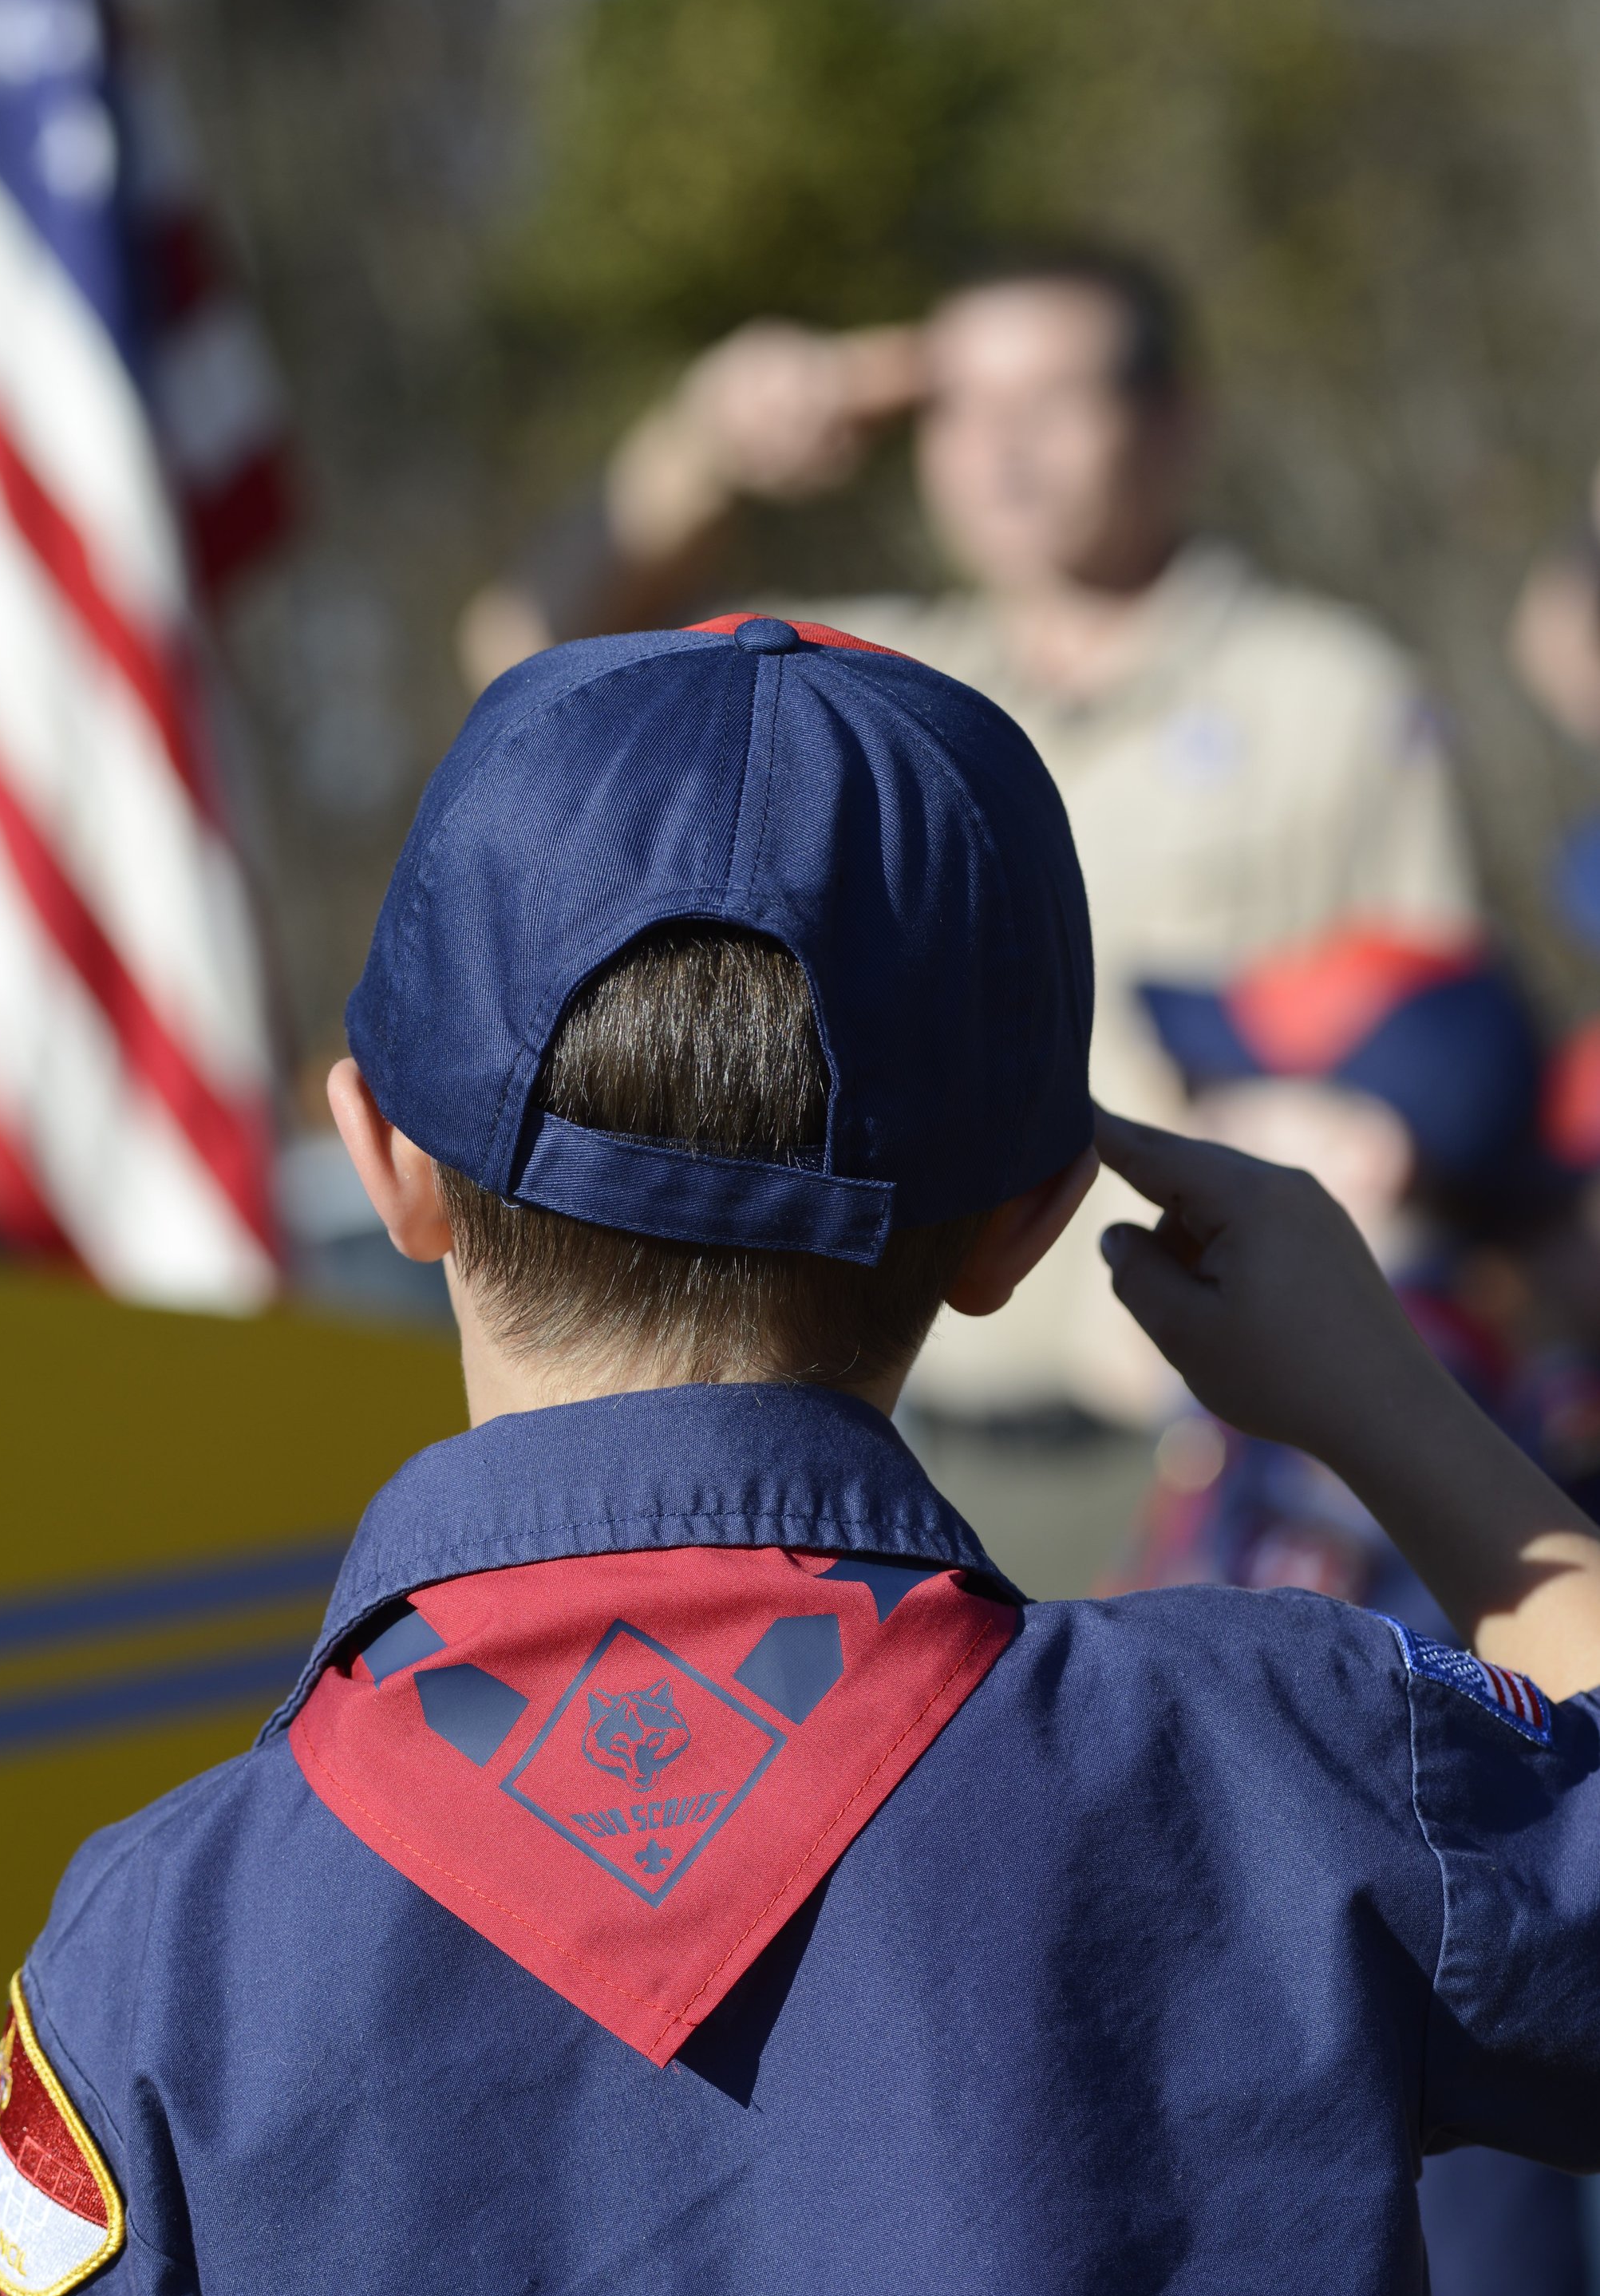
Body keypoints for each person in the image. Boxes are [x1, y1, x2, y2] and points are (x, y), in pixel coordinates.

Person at [0, 619, 1600, 2296]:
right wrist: (1409, 1419)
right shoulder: (1273, 1762)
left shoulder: (164, 1949)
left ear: (381, 1154)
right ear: (1019, 1233)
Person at [460, 253, 1478, 1425]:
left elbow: (1443, 1067)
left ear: (1172, 419)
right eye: (961, 407)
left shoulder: (1330, 700)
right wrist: (695, 450)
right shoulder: (871, 691)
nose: (1001, 448)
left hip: (1198, 1430)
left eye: (1049, 402)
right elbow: (536, 675)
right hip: (881, 1430)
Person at [1113, 924, 1600, 2296]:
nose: (1191, 1114)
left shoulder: (1407, 1434)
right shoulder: (1312, 1413)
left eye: (1246, 1085)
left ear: (1366, 1162)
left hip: (1419, 2153)